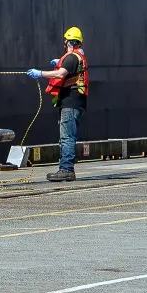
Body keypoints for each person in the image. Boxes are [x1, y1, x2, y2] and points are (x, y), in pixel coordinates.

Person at [27, 27, 89, 182]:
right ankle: (66, 167)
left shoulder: (72, 57)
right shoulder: (78, 56)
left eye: (65, 41)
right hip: (76, 102)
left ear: (69, 42)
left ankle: (66, 169)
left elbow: (61, 74)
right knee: (68, 137)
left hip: (70, 103)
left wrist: (40, 73)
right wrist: (60, 62)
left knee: (67, 137)